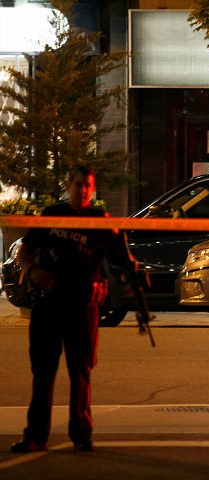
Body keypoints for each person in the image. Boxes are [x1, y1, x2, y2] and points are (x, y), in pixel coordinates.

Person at [11, 165, 136, 453]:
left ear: (93, 191)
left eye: (87, 186)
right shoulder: (51, 215)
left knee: (80, 371)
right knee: (43, 371)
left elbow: (123, 258)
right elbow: (25, 251)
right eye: (78, 184)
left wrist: (133, 274)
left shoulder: (100, 222)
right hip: (48, 303)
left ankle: (81, 434)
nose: (82, 190)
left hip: (82, 306)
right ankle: (36, 435)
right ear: (69, 186)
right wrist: (32, 272)